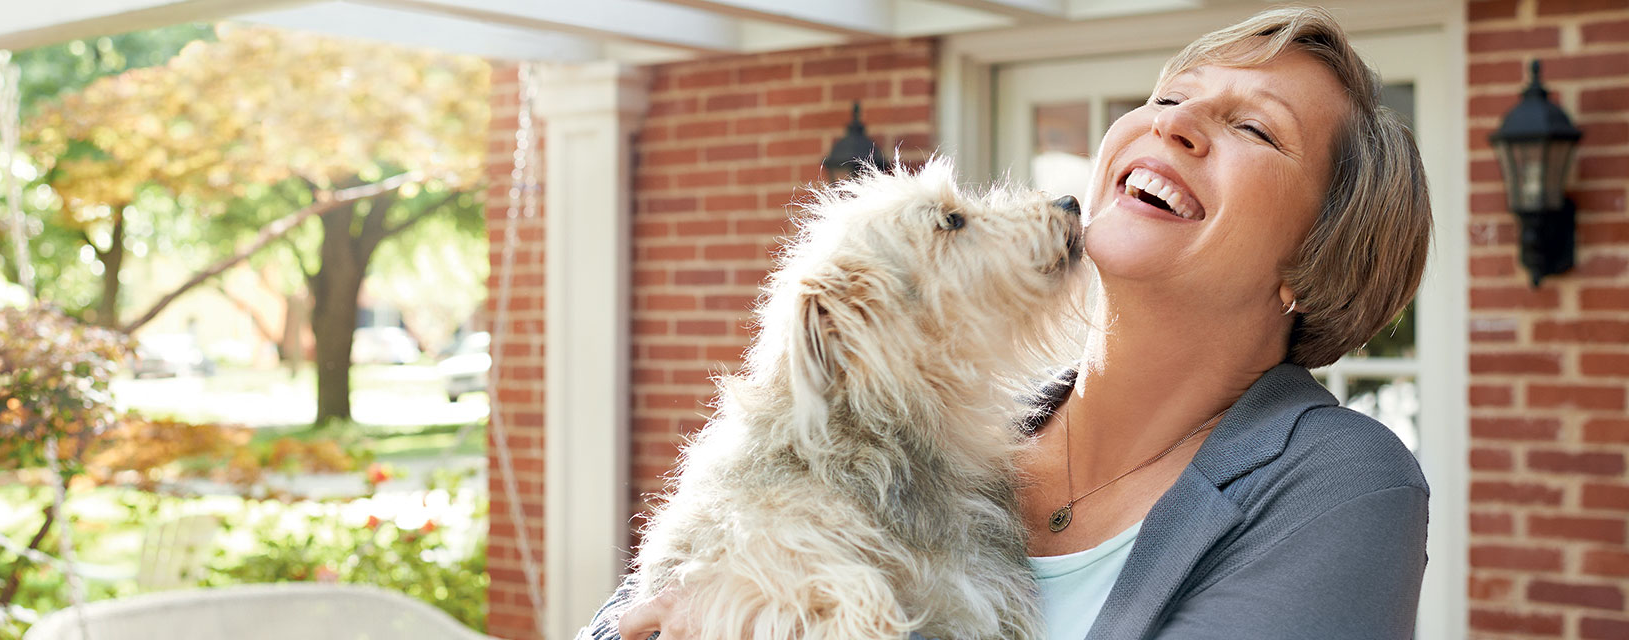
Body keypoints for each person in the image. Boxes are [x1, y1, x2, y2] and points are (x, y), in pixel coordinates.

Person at [590, 5, 1432, 639]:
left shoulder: (1343, 486)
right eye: (1171, 95)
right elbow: (648, 606)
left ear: (1316, 257)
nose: (1172, 122)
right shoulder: (930, 433)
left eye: (1252, 127)